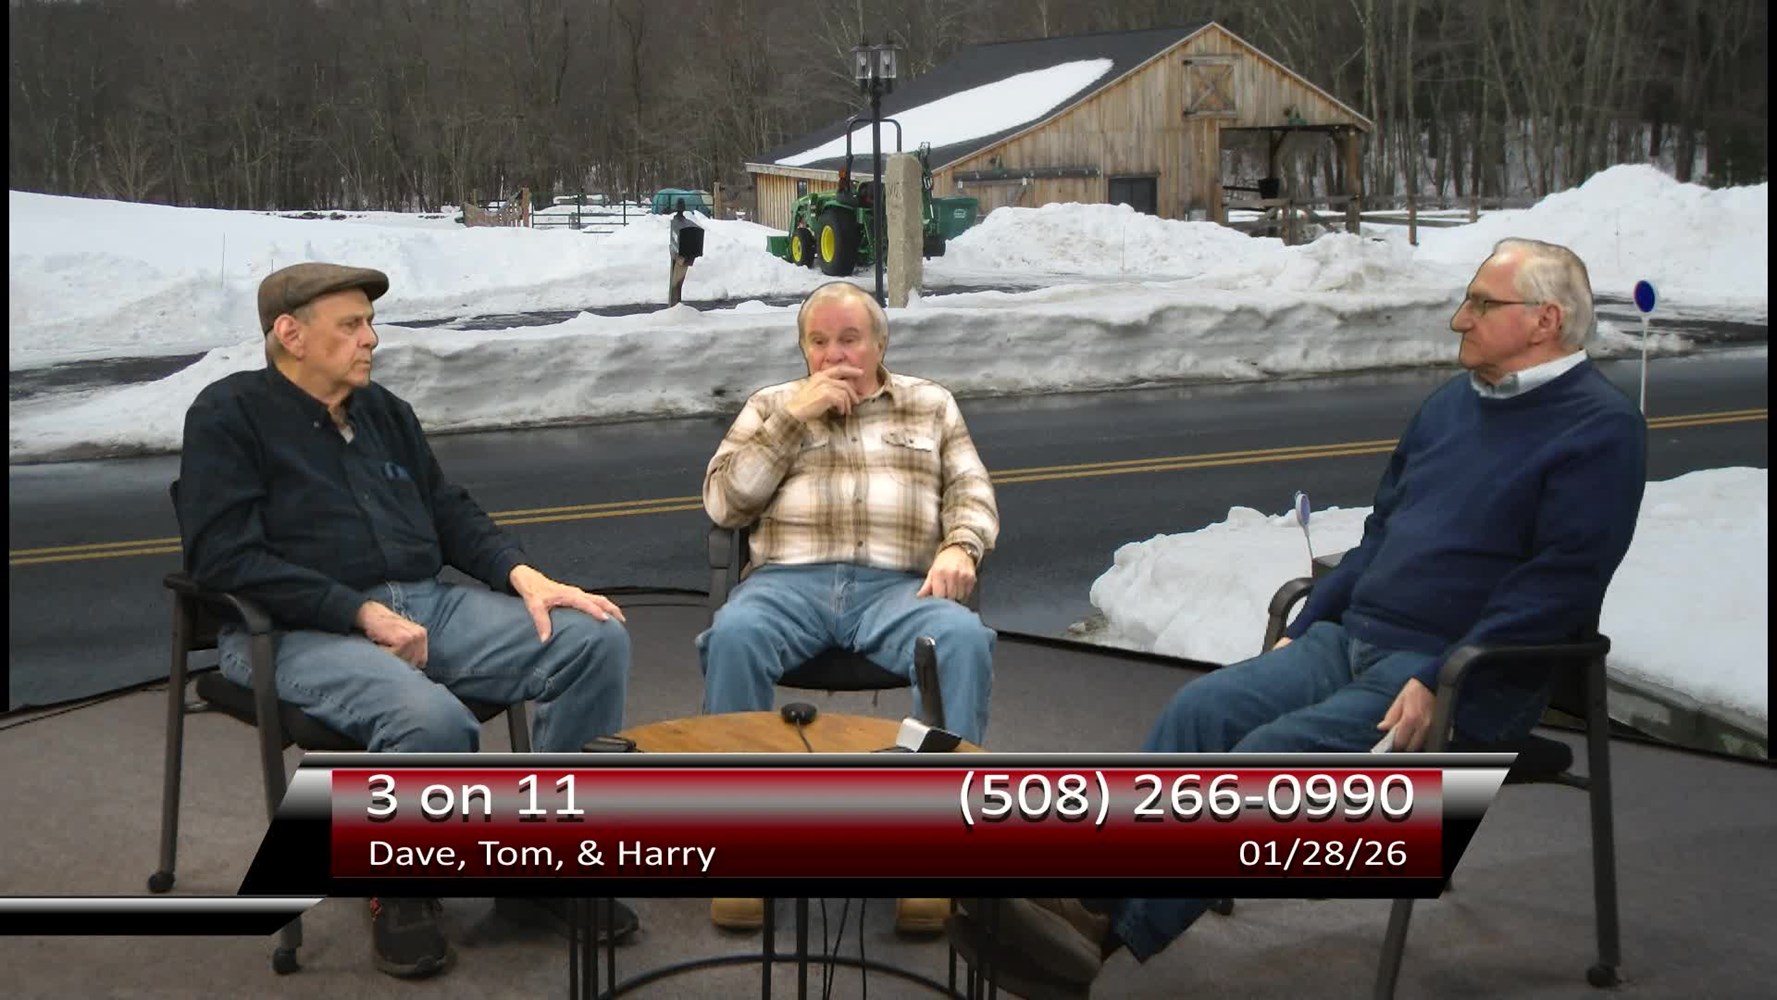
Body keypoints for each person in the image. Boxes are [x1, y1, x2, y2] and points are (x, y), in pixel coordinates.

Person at [945, 238, 1648, 998]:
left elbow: (1559, 585)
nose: (1459, 319)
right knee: (1198, 713)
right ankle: (1091, 898)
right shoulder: (1452, 405)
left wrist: (1435, 674)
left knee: (1266, 764)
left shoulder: (1598, 429)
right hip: (1350, 641)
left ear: (1545, 320)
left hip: (1462, 676)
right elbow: (1381, 532)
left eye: (1481, 304)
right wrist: (1310, 623)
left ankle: (1101, 935)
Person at [177, 262, 637, 979]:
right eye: (351, 325)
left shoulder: (383, 412)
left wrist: (523, 575)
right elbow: (223, 557)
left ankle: (545, 872)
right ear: (291, 335)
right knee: (433, 721)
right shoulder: (229, 415)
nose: (371, 339)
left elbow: (447, 510)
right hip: (290, 630)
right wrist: (356, 610)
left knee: (592, 638)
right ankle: (401, 889)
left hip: (424, 606)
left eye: (369, 323)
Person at [699, 280, 1000, 933]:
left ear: (880, 344)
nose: (834, 355)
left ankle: (935, 855)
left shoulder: (930, 404)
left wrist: (960, 546)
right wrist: (791, 421)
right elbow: (724, 504)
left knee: (962, 641)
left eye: (849, 339)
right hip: (787, 584)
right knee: (733, 635)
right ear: (803, 350)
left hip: (899, 588)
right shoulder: (770, 406)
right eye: (819, 341)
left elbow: (971, 492)